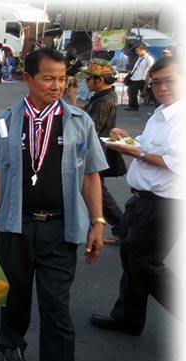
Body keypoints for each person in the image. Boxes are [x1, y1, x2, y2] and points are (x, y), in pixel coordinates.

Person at [0, 48, 107, 361]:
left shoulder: (79, 121)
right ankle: (11, 345)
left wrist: (97, 222)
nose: (57, 85)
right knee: (14, 297)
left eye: (62, 78)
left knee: (57, 310)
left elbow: (91, 175)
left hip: (61, 230)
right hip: (16, 226)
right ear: (28, 79)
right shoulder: (6, 121)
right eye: (48, 78)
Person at [89, 56, 183, 335]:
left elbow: (174, 162)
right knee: (131, 258)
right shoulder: (161, 113)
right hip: (143, 199)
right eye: (155, 83)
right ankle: (127, 317)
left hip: (165, 203)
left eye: (170, 81)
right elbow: (146, 145)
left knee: (146, 265)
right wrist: (127, 139)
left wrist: (136, 152)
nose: (162, 88)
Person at [79, 60, 126, 245]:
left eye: (89, 79)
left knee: (99, 193)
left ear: (99, 80)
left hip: (96, 150)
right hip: (99, 149)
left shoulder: (104, 100)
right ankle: (121, 228)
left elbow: (92, 128)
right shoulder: (103, 96)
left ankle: (122, 228)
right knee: (97, 191)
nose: (86, 82)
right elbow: (86, 111)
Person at [125, 44, 155, 111]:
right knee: (131, 91)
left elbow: (150, 68)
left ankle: (135, 105)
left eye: (138, 51)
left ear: (143, 50)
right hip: (135, 77)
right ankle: (133, 105)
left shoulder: (148, 58)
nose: (137, 53)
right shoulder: (139, 58)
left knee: (143, 91)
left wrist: (147, 78)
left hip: (142, 78)